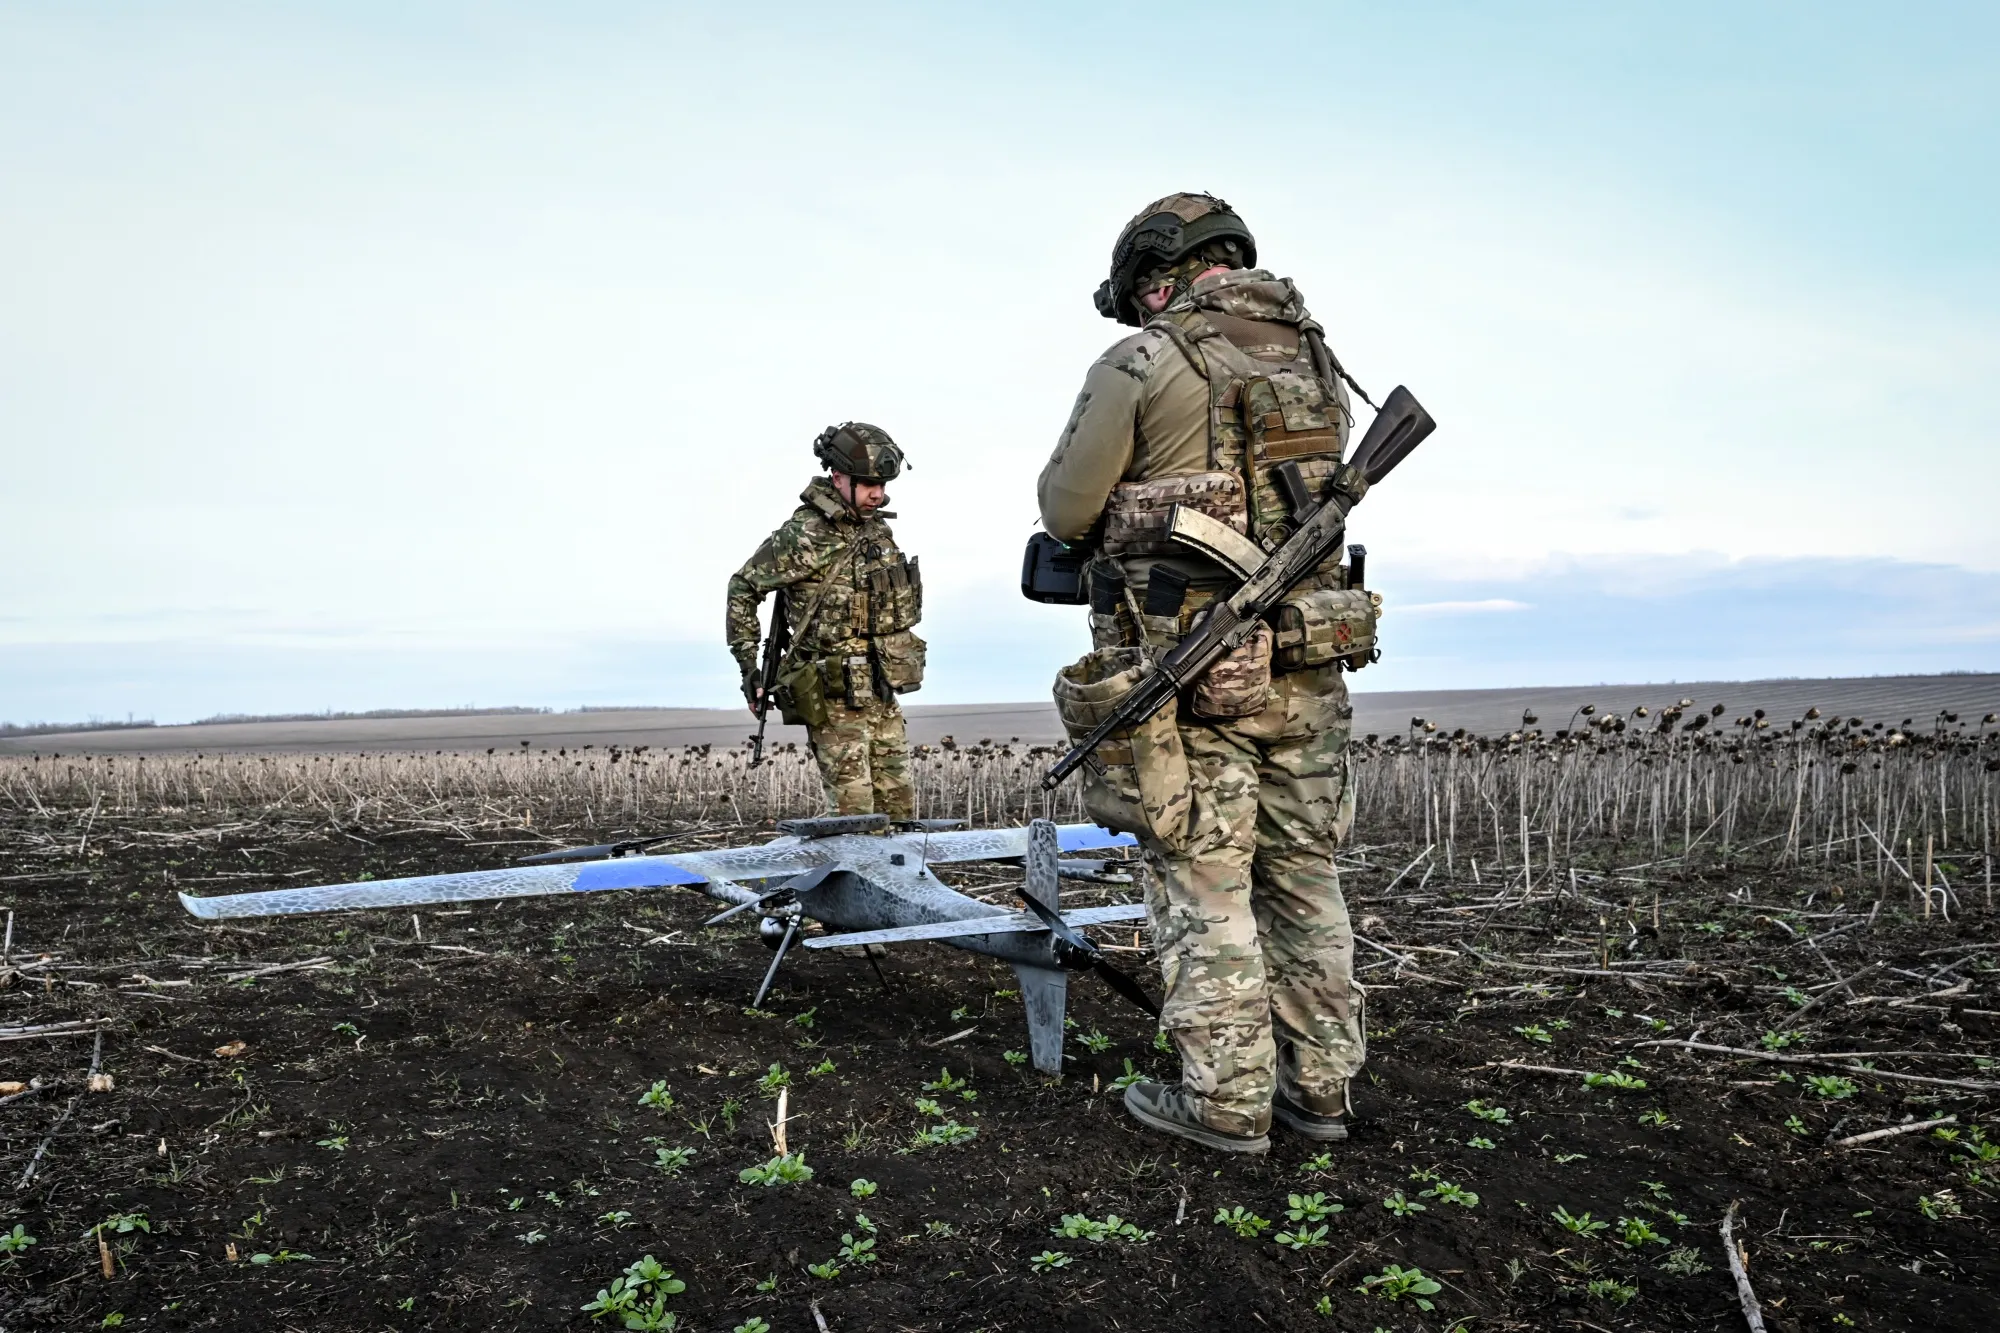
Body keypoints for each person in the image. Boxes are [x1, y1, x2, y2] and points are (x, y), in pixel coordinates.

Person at [1037, 194, 1374, 1155]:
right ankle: (1322, 1090)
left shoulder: (1143, 359)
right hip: (1311, 668)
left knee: (1205, 880)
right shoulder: (1316, 359)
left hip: (1192, 675)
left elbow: (1066, 509)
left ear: (1156, 278)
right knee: (1305, 876)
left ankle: (1226, 1104)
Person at [727, 423, 924, 820]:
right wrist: (749, 665)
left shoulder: (877, 530)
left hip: (882, 693)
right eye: (868, 484)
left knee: (900, 811)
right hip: (834, 698)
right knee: (857, 818)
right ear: (838, 478)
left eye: (882, 485)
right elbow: (743, 587)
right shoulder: (804, 535)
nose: (878, 494)